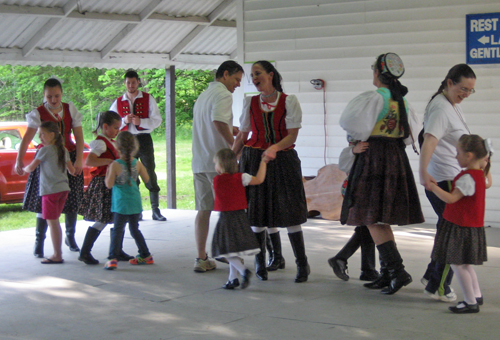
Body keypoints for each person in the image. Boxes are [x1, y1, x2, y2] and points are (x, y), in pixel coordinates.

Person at [339, 53, 424, 294]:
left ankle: (397, 271)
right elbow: (410, 137)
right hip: (395, 157)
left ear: (377, 73)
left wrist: (355, 144)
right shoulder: (403, 101)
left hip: (374, 157)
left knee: (371, 215)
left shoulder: (375, 98)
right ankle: (388, 273)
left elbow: (351, 123)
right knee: (380, 217)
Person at [233, 60, 310, 283]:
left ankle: (302, 264)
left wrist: (275, 147)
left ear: (271, 75)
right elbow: (242, 135)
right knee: (258, 212)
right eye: (252, 75)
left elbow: (292, 135)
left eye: (257, 73)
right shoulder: (250, 102)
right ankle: (261, 263)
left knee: (289, 211)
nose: (254, 78)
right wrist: (230, 160)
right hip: (254, 159)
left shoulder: (289, 101)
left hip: (283, 158)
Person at [419, 64, 477, 302]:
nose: (466, 94)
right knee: (453, 233)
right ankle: (438, 285)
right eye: (463, 88)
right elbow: (429, 140)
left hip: (449, 176)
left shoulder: (450, 105)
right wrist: (423, 173)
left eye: (470, 90)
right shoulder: (442, 108)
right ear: (449, 83)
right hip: (442, 179)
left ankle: (431, 276)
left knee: (447, 229)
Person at [15, 78, 85, 257]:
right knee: (44, 200)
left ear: (61, 94)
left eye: (57, 96)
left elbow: (79, 136)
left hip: (67, 156)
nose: (53, 100)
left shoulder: (70, 109)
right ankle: (39, 241)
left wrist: (79, 161)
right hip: (45, 161)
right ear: (44, 95)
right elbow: (27, 139)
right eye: (49, 96)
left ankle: (70, 237)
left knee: (71, 199)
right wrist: (19, 160)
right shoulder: (38, 113)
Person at [429, 134, 492, 313]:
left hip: (461, 226)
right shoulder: (480, 175)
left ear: (469, 155)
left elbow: (451, 199)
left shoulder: (467, 178)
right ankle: (476, 295)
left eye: (458, 153)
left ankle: (470, 301)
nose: (456, 156)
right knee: (465, 264)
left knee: (457, 264)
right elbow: (488, 182)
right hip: (472, 226)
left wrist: (434, 187)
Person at [191, 60, 244, 272]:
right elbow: (218, 122)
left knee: (203, 211)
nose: (237, 84)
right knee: (229, 211)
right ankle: (229, 253)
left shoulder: (204, 95)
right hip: (219, 165)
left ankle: (201, 257)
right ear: (224, 75)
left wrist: (235, 130)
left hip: (199, 161)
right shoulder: (223, 94)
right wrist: (233, 147)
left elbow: (214, 122)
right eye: (236, 79)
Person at [78, 111, 134, 264]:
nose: (118, 131)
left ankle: (116, 250)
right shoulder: (101, 143)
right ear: (105, 126)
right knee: (103, 219)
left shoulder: (110, 141)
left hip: (112, 185)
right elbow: (90, 161)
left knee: (118, 218)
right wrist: (109, 161)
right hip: (103, 185)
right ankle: (85, 251)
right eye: (116, 128)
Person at [110, 70, 166, 222]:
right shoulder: (118, 101)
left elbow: (157, 120)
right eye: (128, 83)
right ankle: (136, 210)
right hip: (127, 140)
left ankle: (155, 209)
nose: (131, 85)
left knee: (149, 171)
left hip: (144, 139)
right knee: (130, 172)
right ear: (125, 83)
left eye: (133, 82)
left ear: (138, 83)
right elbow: (111, 120)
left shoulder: (148, 98)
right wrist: (124, 121)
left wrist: (141, 122)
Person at [211, 149, 269, 289]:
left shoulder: (216, 180)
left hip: (226, 218)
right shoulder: (241, 177)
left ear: (220, 165)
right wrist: (264, 162)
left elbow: (216, 198)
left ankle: (243, 271)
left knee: (223, 250)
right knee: (233, 249)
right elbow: (259, 179)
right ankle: (232, 279)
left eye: (215, 163)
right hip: (241, 216)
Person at [22, 121, 75, 264]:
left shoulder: (44, 150)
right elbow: (72, 170)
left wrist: (23, 169)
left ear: (52, 135)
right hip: (63, 189)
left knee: (53, 223)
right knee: (55, 221)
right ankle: (57, 252)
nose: (40, 137)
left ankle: (57, 254)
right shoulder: (63, 150)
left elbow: (32, 167)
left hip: (50, 191)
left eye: (42, 134)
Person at [328, 139, 379, 282]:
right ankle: (344, 259)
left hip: (364, 185)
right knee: (369, 225)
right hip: (358, 187)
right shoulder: (353, 148)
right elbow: (344, 165)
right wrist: (353, 150)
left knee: (367, 226)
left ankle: (367, 269)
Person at [104, 131, 153, 270]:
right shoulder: (136, 163)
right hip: (135, 203)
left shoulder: (115, 164)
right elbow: (147, 179)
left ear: (117, 147)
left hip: (121, 204)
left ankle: (112, 258)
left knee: (118, 230)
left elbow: (108, 184)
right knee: (134, 229)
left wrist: (109, 172)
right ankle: (146, 254)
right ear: (134, 147)